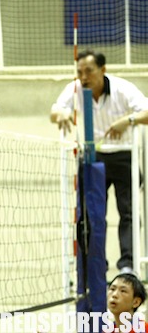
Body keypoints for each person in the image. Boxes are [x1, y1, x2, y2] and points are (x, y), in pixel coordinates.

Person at [50, 49, 148, 273]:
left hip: (124, 156)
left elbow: (146, 111)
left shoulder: (123, 88)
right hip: (93, 158)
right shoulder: (75, 88)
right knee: (90, 214)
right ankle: (95, 266)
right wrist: (61, 114)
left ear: (102, 70)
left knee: (129, 212)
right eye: (79, 72)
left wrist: (128, 120)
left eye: (89, 71)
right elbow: (55, 110)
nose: (83, 77)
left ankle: (128, 266)